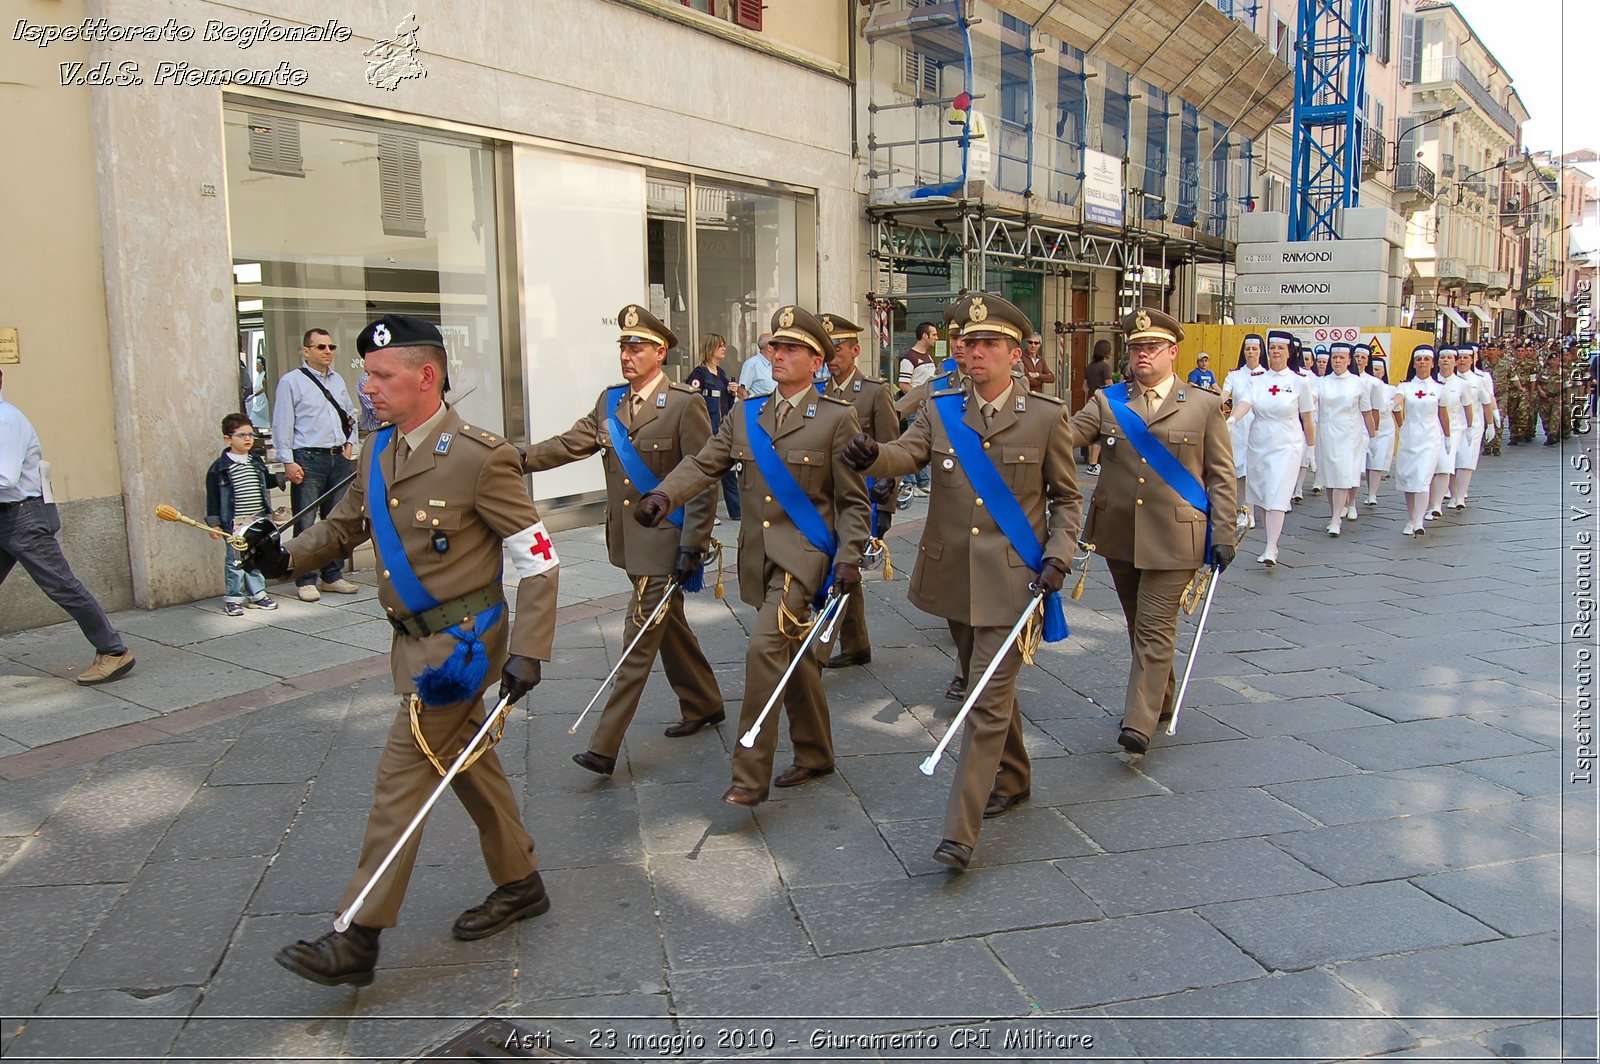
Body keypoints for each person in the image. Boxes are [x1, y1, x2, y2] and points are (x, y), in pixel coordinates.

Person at [245, 315, 558, 988]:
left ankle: (356, 934)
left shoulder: (481, 455)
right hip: (411, 640)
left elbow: (538, 560)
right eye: (365, 374)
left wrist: (528, 651)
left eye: (381, 375)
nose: (368, 386)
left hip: (461, 650)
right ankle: (521, 881)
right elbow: (345, 526)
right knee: (467, 763)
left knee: (400, 782)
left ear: (426, 376)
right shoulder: (379, 449)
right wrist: (283, 557)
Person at [844, 292, 1078, 870]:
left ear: (1015, 353)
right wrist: (872, 455)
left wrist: (1059, 556)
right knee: (989, 684)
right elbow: (905, 455)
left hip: (1014, 577)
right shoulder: (942, 408)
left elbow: (1067, 500)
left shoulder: (1047, 416)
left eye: (988, 344)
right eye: (968, 343)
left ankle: (960, 830)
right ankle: (1016, 776)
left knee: (983, 697)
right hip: (954, 577)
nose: (974, 353)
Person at [637, 305, 869, 808]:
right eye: (774, 347)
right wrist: (664, 495)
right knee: (795, 657)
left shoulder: (836, 418)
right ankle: (815, 752)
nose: (777, 354)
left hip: (804, 558)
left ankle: (749, 773)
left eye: (790, 349)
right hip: (757, 556)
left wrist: (850, 556)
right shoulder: (746, 415)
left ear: (816, 361)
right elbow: (703, 463)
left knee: (764, 650)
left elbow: (853, 500)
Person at [521, 305, 723, 776]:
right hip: (628, 540)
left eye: (636, 347)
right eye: (623, 347)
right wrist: (520, 458)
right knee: (667, 625)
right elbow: (572, 442)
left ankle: (604, 744)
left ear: (660, 351)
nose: (627, 356)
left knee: (638, 636)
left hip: (666, 540)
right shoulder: (609, 401)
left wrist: (693, 543)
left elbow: (703, 476)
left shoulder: (683, 403)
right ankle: (705, 702)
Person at [1064, 308, 1235, 754]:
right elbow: (1067, 436)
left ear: (1172, 353)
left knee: (1156, 626)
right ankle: (1160, 698)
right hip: (1120, 533)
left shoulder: (1203, 403)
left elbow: (1221, 474)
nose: (1142, 354)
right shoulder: (1107, 400)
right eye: (1136, 347)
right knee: (1139, 623)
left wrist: (1224, 532)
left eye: (1151, 347)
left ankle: (1138, 722)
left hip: (1177, 535)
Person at [0, 370, 135, 685]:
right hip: (9, 516)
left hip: (22, 518)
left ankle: (113, 651)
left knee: (61, 585)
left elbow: (5, 478)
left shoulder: (5, 420)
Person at [817, 312, 899, 670]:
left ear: (855, 350)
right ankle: (857, 644)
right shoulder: (817, 392)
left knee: (840, 566)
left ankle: (818, 649)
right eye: (826, 349)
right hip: (823, 500)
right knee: (839, 567)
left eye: (836, 348)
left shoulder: (873, 392)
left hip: (861, 499)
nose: (831, 356)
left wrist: (886, 506)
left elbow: (893, 448)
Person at [271, 327, 360, 602]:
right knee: (307, 520)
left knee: (335, 519)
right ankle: (305, 577)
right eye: (321, 347)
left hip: (337, 456)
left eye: (331, 347)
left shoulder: (338, 380)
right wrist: (287, 460)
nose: (328, 352)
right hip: (308, 456)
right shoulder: (292, 381)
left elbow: (348, 413)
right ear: (306, 350)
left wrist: (350, 444)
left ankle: (332, 576)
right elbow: (282, 422)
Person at [1228, 331, 1313, 566]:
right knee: (1264, 493)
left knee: (1277, 492)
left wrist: (1311, 449)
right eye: (1272, 347)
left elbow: (1307, 418)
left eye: (1280, 348)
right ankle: (1269, 539)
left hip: (1287, 442)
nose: (1275, 352)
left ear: (1289, 352)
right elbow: (1245, 402)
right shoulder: (1258, 380)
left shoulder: (1299, 381)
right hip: (1260, 440)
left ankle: (1271, 547)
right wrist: (1232, 419)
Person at [204, 413, 281, 616]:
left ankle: (257, 594)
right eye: (241, 435)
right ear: (227, 439)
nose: (248, 439)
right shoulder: (219, 469)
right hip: (235, 523)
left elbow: (267, 481)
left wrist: (285, 476)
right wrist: (215, 524)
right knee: (235, 561)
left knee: (255, 557)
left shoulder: (255, 461)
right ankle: (234, 597)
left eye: (250, 434)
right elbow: (212, 498)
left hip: (257, 520)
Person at [1312, 343, 1373, 537]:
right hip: (1327, 432)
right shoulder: (1321, 382)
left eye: (1341, 357)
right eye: (1334, 357)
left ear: (1349, 360)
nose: (1337, 361)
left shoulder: (1358, 383)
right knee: (1330, 478)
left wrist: (1373, 436)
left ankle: (1336, 518)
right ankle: (1335, 513)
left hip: (1349, 433)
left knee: (1342, 475)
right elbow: (1310, 400)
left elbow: (1367, 412)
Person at [1392, 346, 1450, 536]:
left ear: (1432, 363)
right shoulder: (1406, 386)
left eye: (1426, 359)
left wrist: (1448, 436)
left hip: (1430, 439)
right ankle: (1411, 517)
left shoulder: (1439, 389)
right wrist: (1394, 408)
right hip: (1410, 438)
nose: (1422, 363)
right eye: (1419, 360)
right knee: (1409, 479)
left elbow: (1443, 414)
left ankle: (1419, 521)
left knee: (1423, 478)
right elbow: (1397, 401)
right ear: (1414, 363)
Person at [685, 333, 740, 522]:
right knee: (708, 473)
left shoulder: (722, 373)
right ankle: (707, 512)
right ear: (711, 348)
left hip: (723, 428)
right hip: (707, 428)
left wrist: (732, 392)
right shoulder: (700, 373)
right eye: (720, 345)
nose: (724, 348)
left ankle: (737, 511)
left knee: (729, 470)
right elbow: (690, 399)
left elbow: (727, 402)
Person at [1223, 335, 1265, 527]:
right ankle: (1244, 510)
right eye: (1248, 349)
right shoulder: (1235, 375)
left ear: (1260, 351)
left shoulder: (1267, 375)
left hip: (1259, 426)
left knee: (1255, 470)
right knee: (1239, 470)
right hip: (1238, 427)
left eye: (1255, 349)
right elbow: (1224, 395)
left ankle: (1255, 509)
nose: (1251, 353)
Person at [895, 322, 939, 498]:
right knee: (914, 442)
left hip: (927, 405)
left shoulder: (928, 357)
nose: (937, 338)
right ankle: (911, 482)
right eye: (934, 334)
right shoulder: (909, 358)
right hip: (915, 407)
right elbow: (903, 383)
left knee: (925, 444)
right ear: (924, 336)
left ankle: (923, 481)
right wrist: (916, 400)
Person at [1429, 347, 1472, 519]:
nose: (1445, 360)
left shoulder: (1462, 384)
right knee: (1432, 467)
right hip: (1431, 429)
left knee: (1445, 466)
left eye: (1449, 357)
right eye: (1442, 357)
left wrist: (1470, 428)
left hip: (1453, 430)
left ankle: (1437, 505)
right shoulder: (1431, 382)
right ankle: (1431, 502)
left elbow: (1468, 408)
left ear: (1455, 361)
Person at [1449, 345, 1491, 507]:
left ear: (1473, 359)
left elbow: (1487, 402)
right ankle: (1452, 494)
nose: (1462, 361)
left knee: (1465, 461)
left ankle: (1460, 496)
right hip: (1452, 425)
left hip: (1472, 426)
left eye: (1466, 357)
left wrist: (1491, 424)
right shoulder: (1446, 379)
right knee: (1451, 461)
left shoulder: (1479, 380)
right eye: (1459, 358)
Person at [1361, 353, 1398, 506]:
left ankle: (1372, 494)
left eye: (1378, 370)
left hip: (1384, 429)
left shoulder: (1391, 389)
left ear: (1383, 372)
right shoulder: (1365, 384)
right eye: (1373, 369)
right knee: (1364, 462)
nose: (1375, 372)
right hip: (1365, 426)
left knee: (1376, 461)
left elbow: (1397, 411)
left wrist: (1402, 427)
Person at [1082, 340, 1115, 475]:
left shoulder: (1089, 366)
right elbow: (1109, 386)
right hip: (1102, 402)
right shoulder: (1105, 367)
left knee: (1092, 432)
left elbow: (1084, 385)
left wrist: (1090, 395)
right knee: (1100, 434)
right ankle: (1094, 464)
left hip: (1090, 400)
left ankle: (1091, 462)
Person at [735, 332, 776, 400]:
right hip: (759, 409)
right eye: (776, 345)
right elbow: (741, 392)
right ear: (769, 347)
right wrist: (752, 408)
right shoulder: (752, 364)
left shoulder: (775, 364)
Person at [246, 354, 271, 430]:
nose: (257, 366)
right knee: (253, 417)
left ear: (263, 366)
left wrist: (254, 395)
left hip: (263, 400)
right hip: (259, 400)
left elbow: (264, 389)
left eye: (258, 364)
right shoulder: (258, 376)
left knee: (255, 415)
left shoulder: (264, 376)